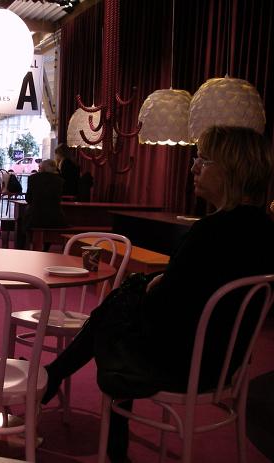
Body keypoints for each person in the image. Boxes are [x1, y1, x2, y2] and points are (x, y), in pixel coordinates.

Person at [41, 126, 274, 462]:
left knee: (114, 317)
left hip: (182, 363)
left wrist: (147, 290)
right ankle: (59, 378)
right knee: (123, 303)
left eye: (203, 160)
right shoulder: (264, 231)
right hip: (227, 360)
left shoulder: (209, 233)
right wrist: (155, 285)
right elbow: (202, 290)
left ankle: (60, 381)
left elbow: (166, 310)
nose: (193, 167)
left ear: (231, 170)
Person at [24, 159, 67, 251]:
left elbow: (28, 199)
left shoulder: (33, 178)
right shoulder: (60, 180)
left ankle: (25, 246)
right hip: (55, 218)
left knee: (23, 220)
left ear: (42, 168)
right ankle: (46, 248)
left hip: (36, 217)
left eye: (39, 167)